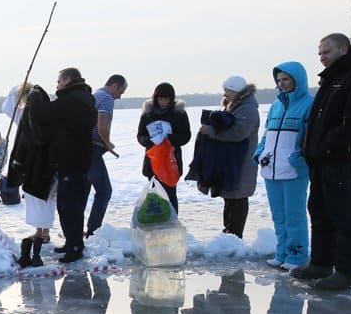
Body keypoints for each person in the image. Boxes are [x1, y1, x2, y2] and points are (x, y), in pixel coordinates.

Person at [291, 33, 351, 290]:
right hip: (319, 160)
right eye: (319, 53)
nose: (322, 58)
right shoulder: (331, 79)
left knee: (344, 215)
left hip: (339, 159)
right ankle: (321, 262)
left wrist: (331, 145)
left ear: (344, 48)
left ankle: (348, 272)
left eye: (327, 52)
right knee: (320, 211)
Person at [253, 62, 314, 272]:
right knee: (278, 215)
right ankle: (282, 253)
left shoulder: (309, 104)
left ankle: (297, 255)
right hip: (271, 169)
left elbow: (311, 137)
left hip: (294, 170)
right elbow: (267, 134)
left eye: (286, 79)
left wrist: (299, 157)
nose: (282, 83)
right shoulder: (276, 105)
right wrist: (259, 153)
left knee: (294, 215)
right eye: (279, 80)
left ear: (297, 79)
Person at [32, 67, 96, 263]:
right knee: (70, 206)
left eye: (59, 81)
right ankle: (73, 242)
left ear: (67, 80)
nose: (57, 85)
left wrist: (34, 96)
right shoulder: (84, 99)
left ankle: (75, 248)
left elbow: (41, 114)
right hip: (81, 161)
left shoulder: (69, 102)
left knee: (69, 207)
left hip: (72, 161)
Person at [197, 76, 260, 238]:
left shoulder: (248, 109)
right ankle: (228, 231)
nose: (225, 94)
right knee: (230, 197)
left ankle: (235, 233)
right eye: (224, 91)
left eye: (228, 91)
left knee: (238, 197)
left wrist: (211, 131)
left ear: (236, 91)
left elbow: (238, 133)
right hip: (232, 160)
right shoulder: (235, 106)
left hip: (242, 161)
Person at [7, 83, 54, 267]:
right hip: (45, 162)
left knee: (41, 198)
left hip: (38, 163)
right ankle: (42, 231)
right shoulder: (41, 106)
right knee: (44, 198)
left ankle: (42, 232)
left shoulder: (34, 109)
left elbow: (29, 136)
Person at [136, 82, 191, 213]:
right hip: (153, 160)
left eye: (166, 99)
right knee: (154, 193)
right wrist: (151, 141)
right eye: (160, 99)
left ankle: (172, 220)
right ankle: (155, 222)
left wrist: (168, 140)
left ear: (171, 99)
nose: (163, 102)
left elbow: (186, 136)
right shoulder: (147, 114)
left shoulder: (179, 114)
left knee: (170, 193)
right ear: (155, 99)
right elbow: (140, 136)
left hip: (171, 160)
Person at [85, 74, 127, 238]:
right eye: (121, 91)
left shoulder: (97, 94)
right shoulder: (107, 98)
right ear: (114, 86)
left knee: (86, 189)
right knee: (104, 191)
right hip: (93, 149)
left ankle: (80, 231)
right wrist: (108, 143)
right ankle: (93, 231)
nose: (120, 96)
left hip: (85, 149)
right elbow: (102, 124)